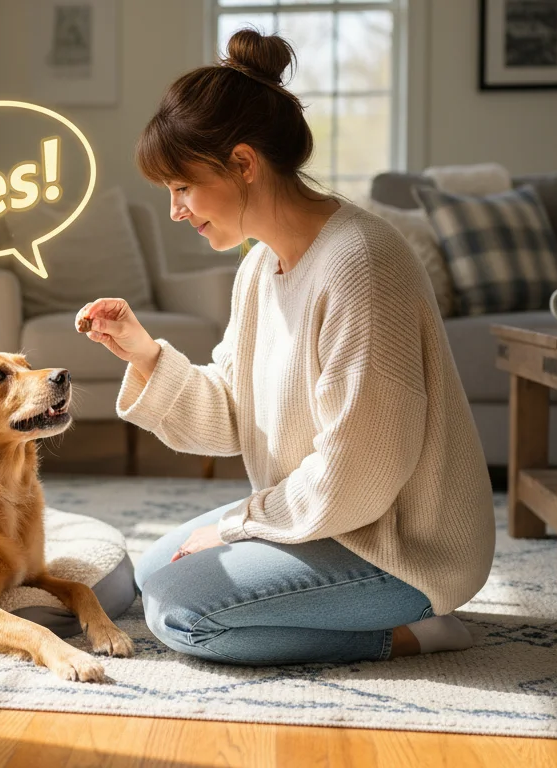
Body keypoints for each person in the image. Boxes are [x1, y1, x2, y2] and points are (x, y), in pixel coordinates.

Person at [74, 29, 496, 665]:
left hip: (398, 547)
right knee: (152, 576)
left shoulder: (360, 263)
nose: (175, 212)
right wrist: (144, 354)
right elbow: (232, 415)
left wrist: (236, 524)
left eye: (183, 188)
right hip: (334, 523)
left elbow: (361, 473)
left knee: (185, 616)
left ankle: (410, 631)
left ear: (244, 164)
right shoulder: (260, 267)